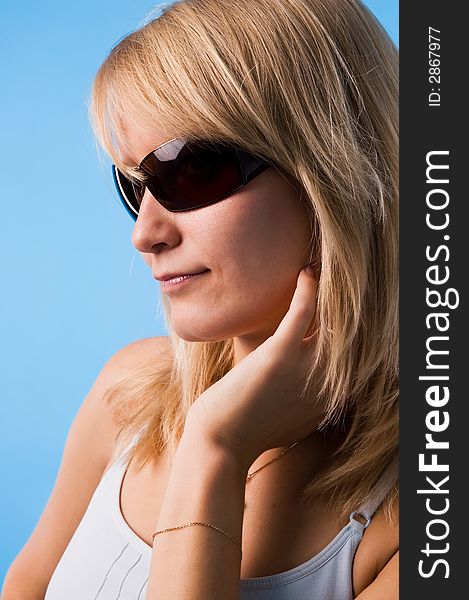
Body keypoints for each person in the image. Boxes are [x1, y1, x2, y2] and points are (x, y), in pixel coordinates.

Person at [2, 0, 399, 598]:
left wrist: (216, 448)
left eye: (189, 171)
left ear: (333, 172)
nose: (145, 231)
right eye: (134, 183)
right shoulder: (128, 400)